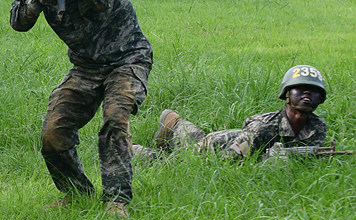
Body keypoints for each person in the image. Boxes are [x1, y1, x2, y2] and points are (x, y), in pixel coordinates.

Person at [10, 0, 153, 217]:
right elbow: (17, 21)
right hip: (86, 67)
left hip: (127, 58)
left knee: (115, 117)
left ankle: (116, 200)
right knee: (53, 131)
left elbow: (103, 1)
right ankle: (77, 194)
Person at [133, 65, 328, 163]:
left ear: (321, 98)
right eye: (300, 89)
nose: (306, 94)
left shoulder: (317, 128)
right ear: (286, 94)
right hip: (218, 148)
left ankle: (175, 123)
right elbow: (231, 161)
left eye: (313, 91)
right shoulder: (262, 127)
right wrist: (270, 159)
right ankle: (128, 148)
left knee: (192, 137)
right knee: (172, 163)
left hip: (231, 139)